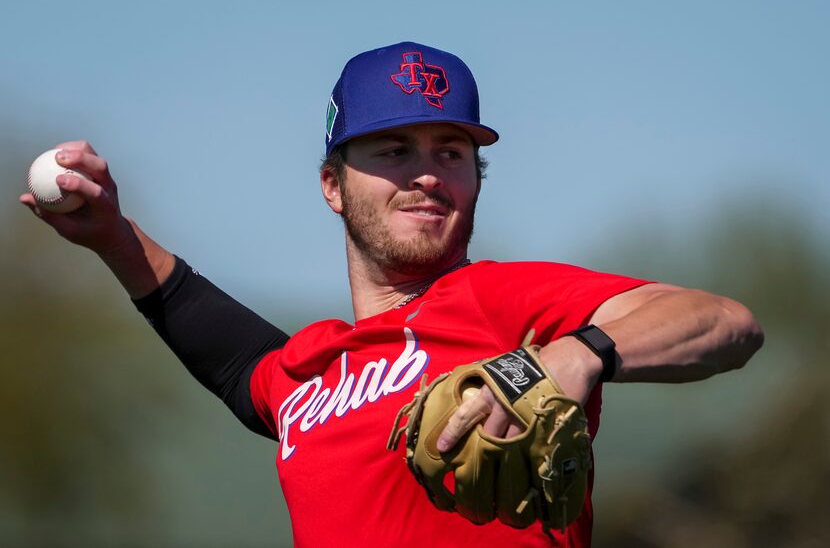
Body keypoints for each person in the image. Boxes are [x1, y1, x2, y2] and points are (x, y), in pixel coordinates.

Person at [20, 41, 763, 547]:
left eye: (452, 152)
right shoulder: (311, 374)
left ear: (477, 177)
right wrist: (115, 237)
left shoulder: (501, 302)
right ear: (332, 185)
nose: (427, 173)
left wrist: (576, 355)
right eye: (394, 149)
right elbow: (233, 360)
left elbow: (724, 322)